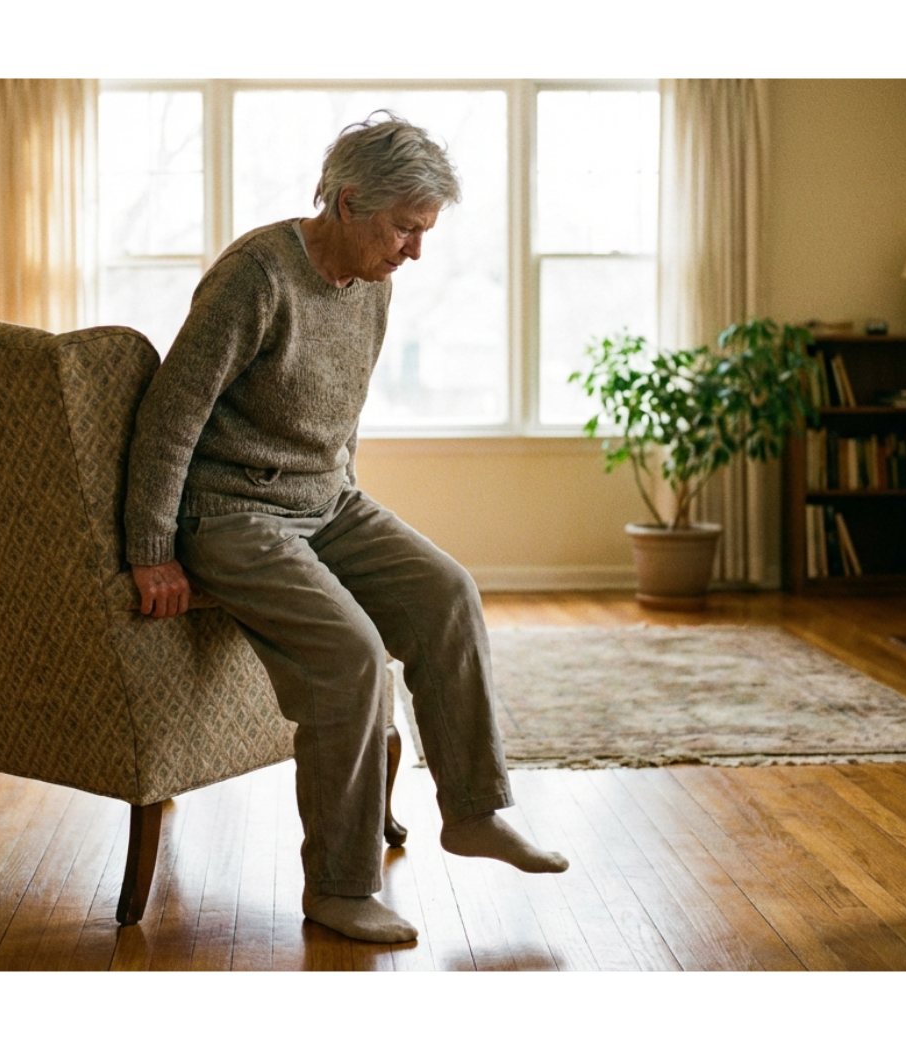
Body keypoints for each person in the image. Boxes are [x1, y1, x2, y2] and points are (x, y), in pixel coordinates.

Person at [123, 112, 567, 945]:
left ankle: (474, 811)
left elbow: (340, 414)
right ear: (348, 200)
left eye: (425, 231)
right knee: (352, 658)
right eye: (405, 228)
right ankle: (340, 885)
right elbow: (170, 416)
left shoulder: (375, 283)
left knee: (446, 592)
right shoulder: (255, 275)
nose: (414, 251)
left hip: (327, 502)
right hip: (231, 512)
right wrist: (153, 549)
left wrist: (345, 503)